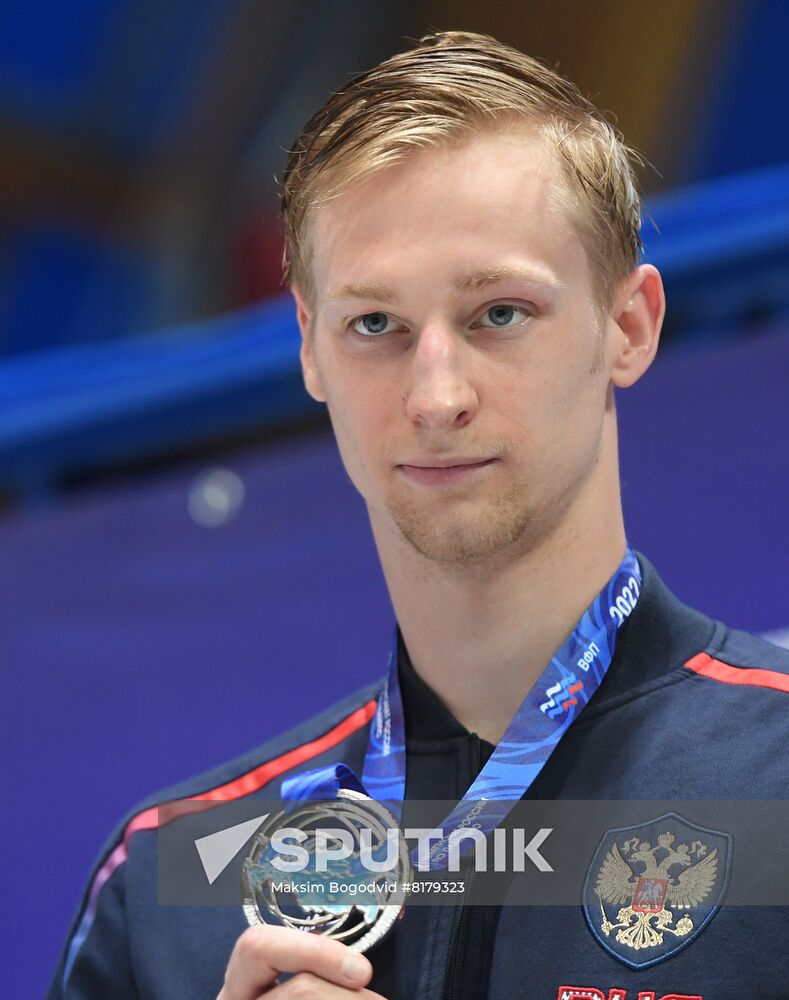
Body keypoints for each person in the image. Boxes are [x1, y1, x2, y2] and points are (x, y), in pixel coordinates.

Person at [49, 31, 789, 1000]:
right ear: (311, 351)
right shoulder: (173, 879)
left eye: (499, 314)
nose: (437, 396)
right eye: (376, 326)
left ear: (629, 325)